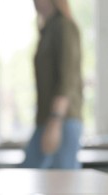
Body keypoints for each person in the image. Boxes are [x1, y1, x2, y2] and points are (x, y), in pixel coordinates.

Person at [20, 0, 83, 169]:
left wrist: (55, 120)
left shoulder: (64, 27)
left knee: (63, 186)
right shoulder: (47, 29)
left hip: (61, 119)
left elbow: (67, 79)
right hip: (46, 119)